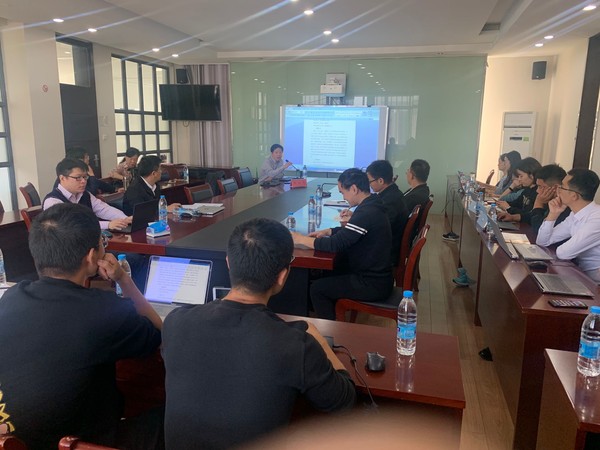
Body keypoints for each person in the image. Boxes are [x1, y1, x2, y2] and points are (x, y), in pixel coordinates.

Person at [162, 218, 356, 449]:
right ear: (282, 276)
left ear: (229, 263)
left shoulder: (175, 322)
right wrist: (318, 340)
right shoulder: (295, 344)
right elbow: (344, 402)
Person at [0, 203, 162, 450]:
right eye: (102, 243)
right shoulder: (103, 309)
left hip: (17, 440)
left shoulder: (11, 298)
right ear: (91, 257)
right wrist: (123, 278)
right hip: (79, 443)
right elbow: (158, 332)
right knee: (169, 416)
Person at [292, 168, 393, 320]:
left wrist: (300, 239)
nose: (343, 197)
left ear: (354, 189)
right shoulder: (372, 204)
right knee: (330, 270)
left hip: (372, 283)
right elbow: (349, 233)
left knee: (317, 289)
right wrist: (329, 231)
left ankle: (332, 331)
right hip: (376, 275)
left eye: (343, 192)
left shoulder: (366, 213)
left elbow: (335, 244)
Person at [536, 168, 600, 283]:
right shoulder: (575, 214)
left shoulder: (597, 218)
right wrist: (553, 214)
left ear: (574, 196)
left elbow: (564, 253)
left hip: (594, 283)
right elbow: (542, 242)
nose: (558, 190)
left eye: (562, 187)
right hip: (581, 275)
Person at [340, 160, 408, 266]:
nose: (368, 185)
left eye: (370, 181)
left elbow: (376, 228)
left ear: (380, 181)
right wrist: (355, 217)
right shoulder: (392, 194)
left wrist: (356, 221)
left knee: (341, 250)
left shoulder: (389, 201)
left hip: (384, 255)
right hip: (386, 248)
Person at [43, 158, 132, 230]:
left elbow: (103, 209)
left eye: (85, 177)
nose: (83, 181)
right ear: (62, 178)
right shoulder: (53, 201)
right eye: (78, 177)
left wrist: (124, 218)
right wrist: (108, 224)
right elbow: (73, 224)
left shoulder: (85, 194)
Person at [497, 157, 542, 224]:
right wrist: (503, 204)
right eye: (518, 176)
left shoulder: (538, 192)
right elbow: (516, 203)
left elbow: (528, 214)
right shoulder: (527, 190)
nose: (519, 179)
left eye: (521, 176)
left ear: (531, 175)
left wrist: (508, 208)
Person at [529, 164, 569, 233]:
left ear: (555, 188)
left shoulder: (563, 207)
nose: (537, 191)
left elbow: (538, 230)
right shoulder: (550, 200)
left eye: (540, 186)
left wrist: (538, 203)